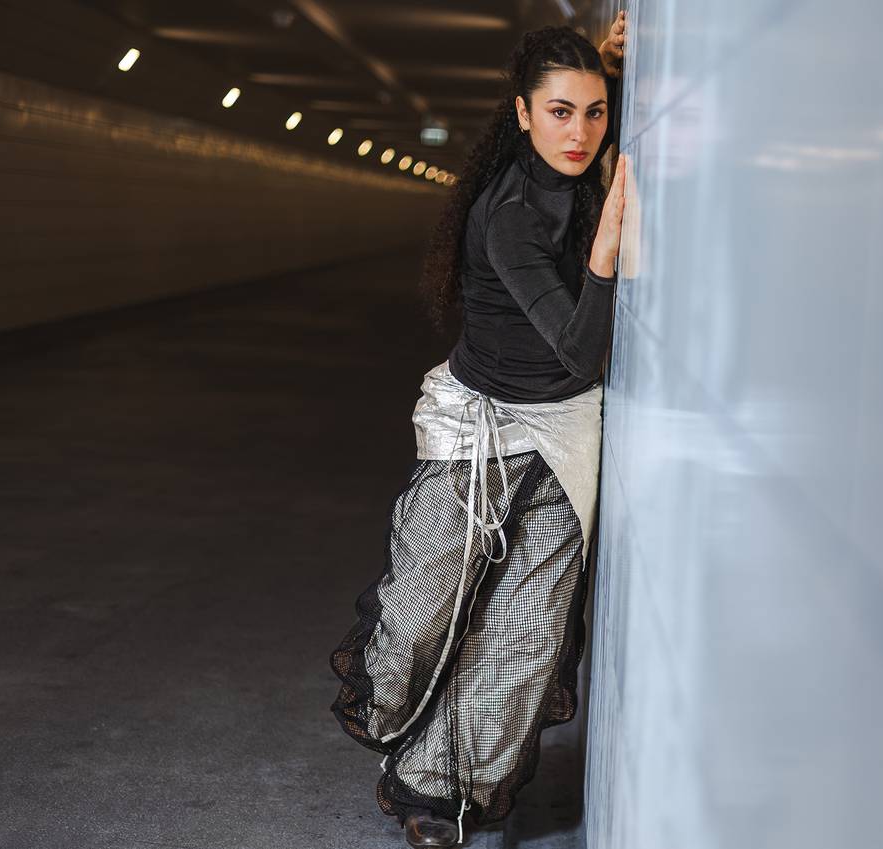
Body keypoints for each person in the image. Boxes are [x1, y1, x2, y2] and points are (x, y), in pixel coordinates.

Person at [329, 13, 629, 849]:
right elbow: (580, 347)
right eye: (560, 112)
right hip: (479, 425)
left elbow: (576, 378)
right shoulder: (509, 214)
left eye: (595, 111)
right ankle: (402, 720)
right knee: (425, 611)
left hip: (565, 434)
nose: (580, 131)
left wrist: (610, 64)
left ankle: (441, 795)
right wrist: (604, 252)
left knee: (522, 633)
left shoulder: (594, 161)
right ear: (524, 114)